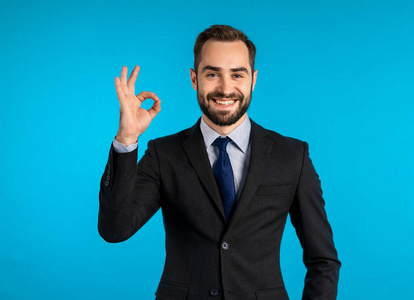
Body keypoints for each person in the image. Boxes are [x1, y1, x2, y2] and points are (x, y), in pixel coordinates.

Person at [99, 24, 341, 300]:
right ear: (194, 79)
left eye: (237, 74)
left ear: (253, 80)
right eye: (212, 74)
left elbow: (323, 261)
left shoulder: (292, 156)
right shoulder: (163, 153)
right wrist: (126, 138)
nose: (226, 89)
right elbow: (114, 230)